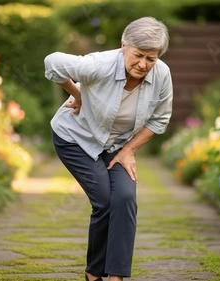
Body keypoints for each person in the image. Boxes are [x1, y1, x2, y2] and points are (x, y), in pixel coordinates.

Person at [44, 16, 173, 281]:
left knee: (125, 198)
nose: (143, 64)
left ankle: (116, 276)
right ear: (124, 46)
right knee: (104, 201)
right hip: (75, 139)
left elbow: (160, 119)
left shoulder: (162, 74)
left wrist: (129, 150)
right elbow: (52, 63)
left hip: (117, 145)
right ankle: (94, 274)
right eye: (138, 55)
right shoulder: (99, 65)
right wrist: (78, 94)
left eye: (151, 58)